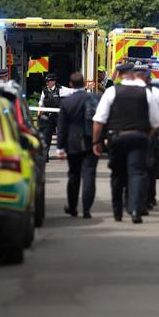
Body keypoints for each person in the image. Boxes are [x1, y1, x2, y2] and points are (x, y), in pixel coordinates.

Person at [92, 62, 159, 224]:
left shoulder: (111, 92)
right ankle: (136, 209)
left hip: (117, 139)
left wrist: (96, 141)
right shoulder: (146, 93)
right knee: (137, 173)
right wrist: (146, 136)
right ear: (132, 74)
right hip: (139, 138)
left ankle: (118, 211)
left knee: (117, 175)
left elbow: (99, 120)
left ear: (120, 74)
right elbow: (156, 122)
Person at [55, 72, 99, 219]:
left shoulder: (67, 102)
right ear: (85, 84)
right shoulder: (93, 99)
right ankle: (87, 209)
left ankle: (72, 207)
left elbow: (62, 127)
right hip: (90, 142)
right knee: (89, 175)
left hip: (72, 144)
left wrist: (60, 147)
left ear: (71, 84)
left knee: (73, 175)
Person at [133, 64, 159, 211]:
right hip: (149, 136)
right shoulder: (154, 93)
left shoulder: (124, 91)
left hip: (128, 135)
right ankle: (149, 197)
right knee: (149, 168)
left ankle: (132, 198)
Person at [38, 73, 73, 160]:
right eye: (46, 82)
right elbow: (41, 103)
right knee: (46, 136)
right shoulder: (45, 90)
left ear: (53, 81)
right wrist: (39, 114)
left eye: (48, 81)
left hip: (58, 116)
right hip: (48, 116)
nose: (47, 83)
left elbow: (72, 92)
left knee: (62, 134)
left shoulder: (60, 89)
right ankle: (45, 155)